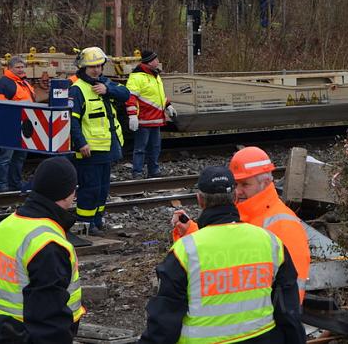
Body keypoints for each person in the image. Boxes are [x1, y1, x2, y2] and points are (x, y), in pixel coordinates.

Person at [140, 166, 305, 344]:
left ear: (200, 200)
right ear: (234, 197)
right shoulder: (270, 242)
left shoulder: (185, 252)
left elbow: (164, 321)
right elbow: (288, 311)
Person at [174, 147, 311, 301]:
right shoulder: (243, 213)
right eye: (236, 184)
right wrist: (191, 231)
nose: (237, 192)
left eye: (245, 184)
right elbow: (223, 252)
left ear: (265, 182)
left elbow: (292, 291)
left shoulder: (284, 225)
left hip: (263, 321)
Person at [0, 157, 85, 343]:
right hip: (28, 334)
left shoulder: (5, 226)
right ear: (67, 194)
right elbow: (49, 318)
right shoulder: (48, 243)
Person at [68, 46, 129, 234]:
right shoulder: (77, 90)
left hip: (107, 147)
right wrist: (81, 143)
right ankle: (85, 226)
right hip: (89, 150)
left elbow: (126, 94)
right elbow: (73, 121)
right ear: (83, 68)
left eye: (99, 66)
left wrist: (107, 89)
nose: (96, 70)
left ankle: (97, 220)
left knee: (102, 189)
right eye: (92, 67)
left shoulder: (104, 84)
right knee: (90, 189)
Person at [125, 50, 177, 179]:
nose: (158, 61)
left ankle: (153, 171)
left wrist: (168, 105)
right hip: (143, 119)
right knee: (140, 148)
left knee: (155, 147)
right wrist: (132, 115)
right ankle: (137, 172)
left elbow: (158, 96)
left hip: (155, 119)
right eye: (156, 59)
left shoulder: (155, 75)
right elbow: (130, 97)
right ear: (149, 61)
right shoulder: (137, 77)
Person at [0, 56, 35, 192]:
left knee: (19, 157)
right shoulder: (5, 83)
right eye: (18, 67)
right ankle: (0, 186)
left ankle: (15, 184)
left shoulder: (23, 82)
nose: (21, 69)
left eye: (22, 67)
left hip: (24, 125)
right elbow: (0, 105)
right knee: (6, 158)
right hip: (10, 125)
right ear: (10, 68)